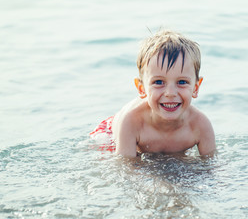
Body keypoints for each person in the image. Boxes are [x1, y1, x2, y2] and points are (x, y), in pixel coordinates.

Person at [90, 29, 216, 158]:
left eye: (182, 82)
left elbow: (211, 168)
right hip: (109, 132)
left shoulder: (200, 125)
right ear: (141, 88)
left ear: (196, 87)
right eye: (159, 82)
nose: (170, 93)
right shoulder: (131, 122)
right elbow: (127, 170)